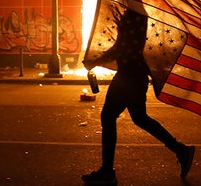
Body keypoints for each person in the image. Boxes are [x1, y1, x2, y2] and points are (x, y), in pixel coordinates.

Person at [82, 9, 195, 185]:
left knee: (109, 116)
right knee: (139, 118)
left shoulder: (134, 14)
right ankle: (180, 150)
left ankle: (107, 172)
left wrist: (95, 61)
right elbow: (122, 46)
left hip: (129, 76)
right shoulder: (135, 13)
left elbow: (122, 48)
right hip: (134, 75)